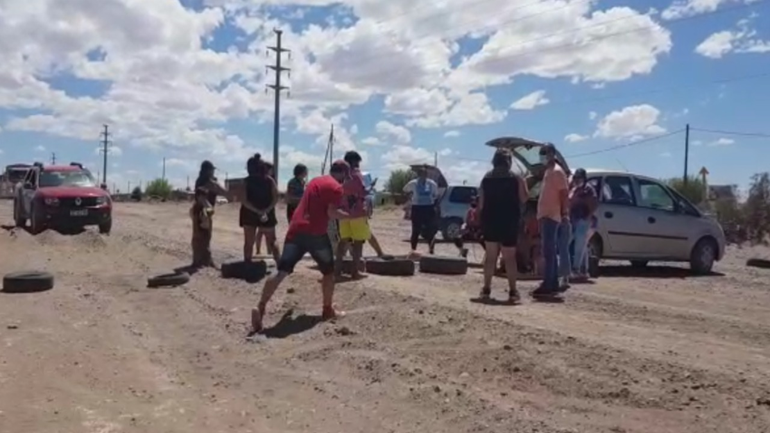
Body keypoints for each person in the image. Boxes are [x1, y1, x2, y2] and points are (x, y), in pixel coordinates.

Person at [250, 160, 352, 333]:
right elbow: (331, 213)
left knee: (282, 270)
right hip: (316, 234)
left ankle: (260, 307)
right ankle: (327, 310)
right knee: (328, 272)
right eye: (345, 176)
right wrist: (351, 215)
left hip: (296, 230)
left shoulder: (314, 181)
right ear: (342, 173)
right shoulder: (336, 188)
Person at [477, 148, 529, 303]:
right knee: (510, 258)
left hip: (490, 220)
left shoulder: (486, 178)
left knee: (490, 257)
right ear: (509, 162)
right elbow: (524, 198)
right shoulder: (516, 178)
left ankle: (486, 289)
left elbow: (481, 203)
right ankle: (513, 292)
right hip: (509, 221)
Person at [532, 144, 569, 299]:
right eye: (541, 153)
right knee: (548, 250)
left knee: (549, 251)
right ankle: (551, 282)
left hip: (551, 216)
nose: (542, 156)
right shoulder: (548, 171)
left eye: (544, 153)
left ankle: (549, 283)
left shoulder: (557, 172)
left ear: (552, 154)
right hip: (545, 215)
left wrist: (564, 213)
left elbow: (564, 194)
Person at [191, 160, 231, 269]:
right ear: (208, 171)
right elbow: (203, 197)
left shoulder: (203, 181)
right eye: (212, 170)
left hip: (202, 210)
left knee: (203, 236)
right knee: (201, 236)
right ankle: (199, 261)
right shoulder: (207, 182)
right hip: (201, 211)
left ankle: (203, 260)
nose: (213, 172)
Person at [335, 151, 369, 279]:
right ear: (355, 161)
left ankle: (337, 270)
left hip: (343, 212)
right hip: (357, 213)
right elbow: (361, 191)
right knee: (358, 242)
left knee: (343, 241)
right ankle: (355, 271)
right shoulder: (357, 175)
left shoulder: (340, 176)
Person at [240, 154, 280, 263]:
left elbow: (243, 200)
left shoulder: (246, 181)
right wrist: (266, 210)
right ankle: (280, 264)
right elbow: (276, 197)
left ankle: (247, 264)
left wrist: (256, 210)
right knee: (272, 240)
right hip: (267, 213)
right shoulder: (270, 180)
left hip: (249, 213)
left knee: (249, 242)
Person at [568, 168, 598, 280]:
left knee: (580, 244)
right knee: (580, 245)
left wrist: (588, 217)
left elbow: (594, 204)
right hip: (573, 219)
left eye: (579, 178)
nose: (576, 180)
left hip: (584, 219)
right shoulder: (574, 189)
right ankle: (584, 270)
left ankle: (576, 269)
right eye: (575, 177)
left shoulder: (589, 189)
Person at [403, 165, 439, 257]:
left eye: (425, 174)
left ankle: (431, 251)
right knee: (415, 230)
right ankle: (413, 250)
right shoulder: (413, 183)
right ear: (418, 175)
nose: (423, 176)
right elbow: (405, 190)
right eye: (421, 174)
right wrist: (410, 199)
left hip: (428, 208)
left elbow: (436, 195)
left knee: (430, 231)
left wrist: (434, 206)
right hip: (417, 208)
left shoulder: (432, 184)